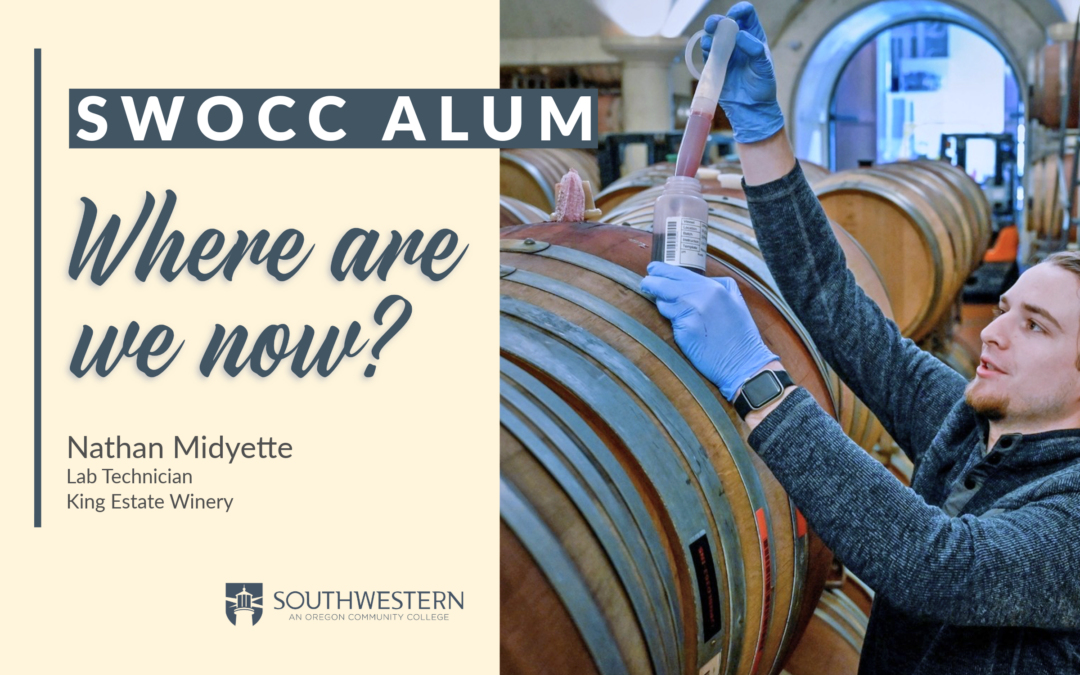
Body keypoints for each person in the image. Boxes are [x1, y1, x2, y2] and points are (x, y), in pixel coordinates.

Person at [641, 3, 1080, 673]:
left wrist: (758, 379)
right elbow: (836, 306)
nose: (992, 332)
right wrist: (762, 134)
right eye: (1004, 309)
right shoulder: (973, 422)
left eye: (1034, 325)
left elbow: (938, 565)